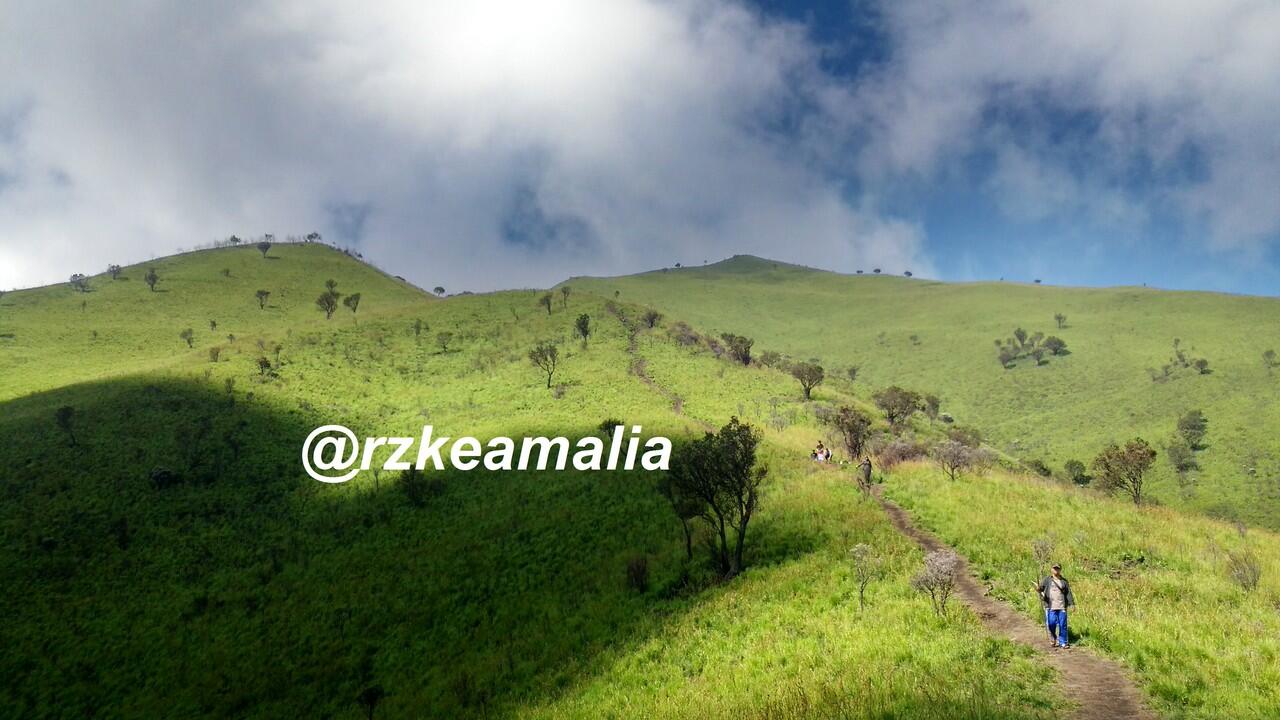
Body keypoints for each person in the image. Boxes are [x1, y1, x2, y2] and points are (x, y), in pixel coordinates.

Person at [1036, 563, 1076, 648]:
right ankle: (1054, 638)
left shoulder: (1064, 581)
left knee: (1063, 625)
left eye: (1057, 568)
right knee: (1051, 623)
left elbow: (1068, 593)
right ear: (1051, 569)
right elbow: (1041, 589)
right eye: (1054, 568)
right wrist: (1038, 589)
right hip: (1050, 607)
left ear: (1060, 570)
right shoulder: (1047, 580)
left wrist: (1072, 604)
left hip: (1062, 606)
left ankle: (1063, 642)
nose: (1056, 570)